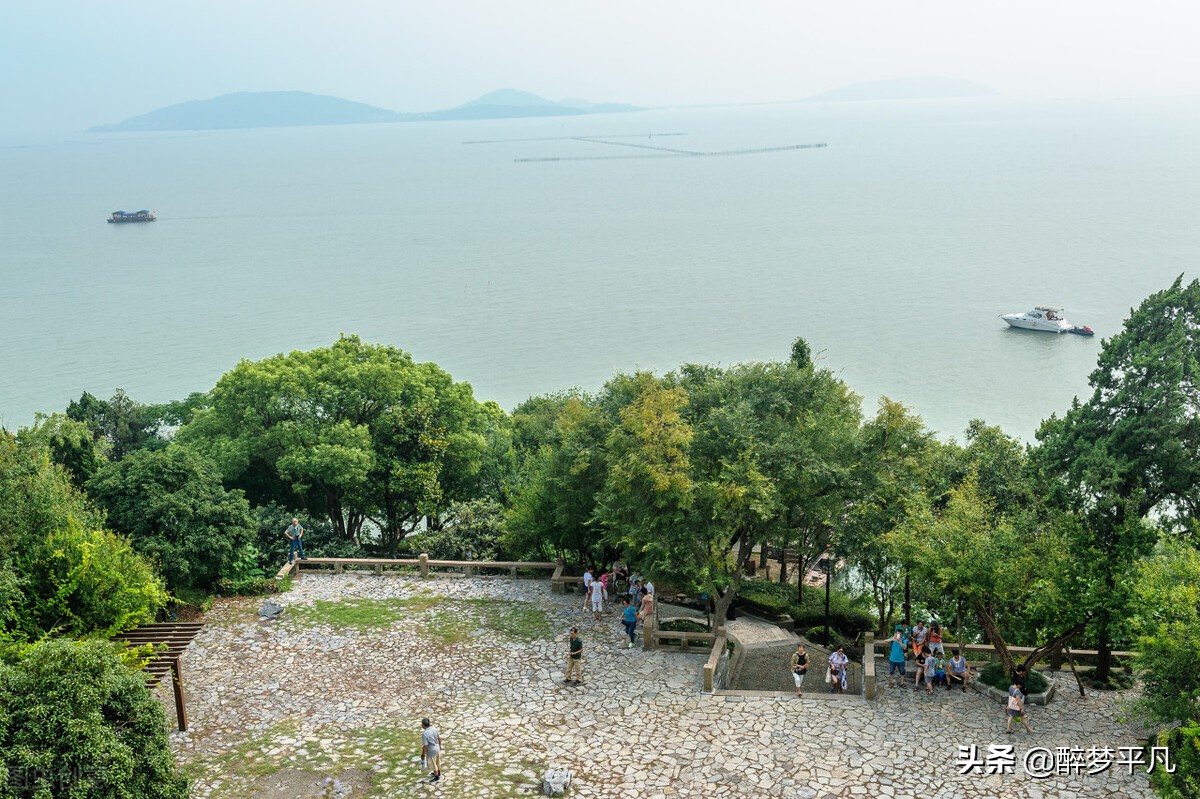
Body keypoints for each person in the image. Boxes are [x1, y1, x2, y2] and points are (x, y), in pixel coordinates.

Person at [420, 718, 442, 783]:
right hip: (437, 747)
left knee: (433, 764)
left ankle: (436, 776)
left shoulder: (424, 734)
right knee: (438, 761)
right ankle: (439, 772)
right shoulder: (434, 729)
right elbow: (439, 738)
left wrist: (423, 754)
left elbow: (425, 746)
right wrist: (440, 746)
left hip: (431, 750)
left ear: (423, 725)